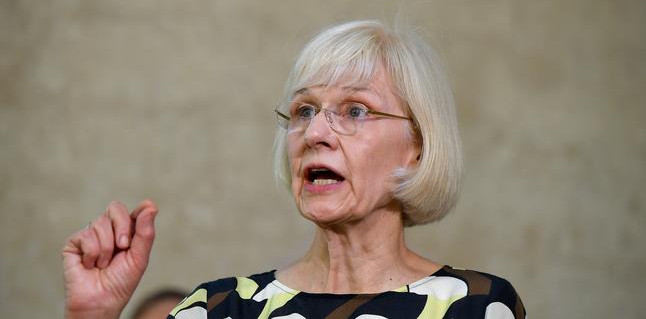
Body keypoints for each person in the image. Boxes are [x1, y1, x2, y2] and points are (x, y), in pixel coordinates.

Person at [62, 20, 526, 318]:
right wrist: (91, 316)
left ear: (418, 148)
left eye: (356, 111)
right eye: (304, 110)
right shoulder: (220, 309)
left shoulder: (477, 306)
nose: (315, 133)